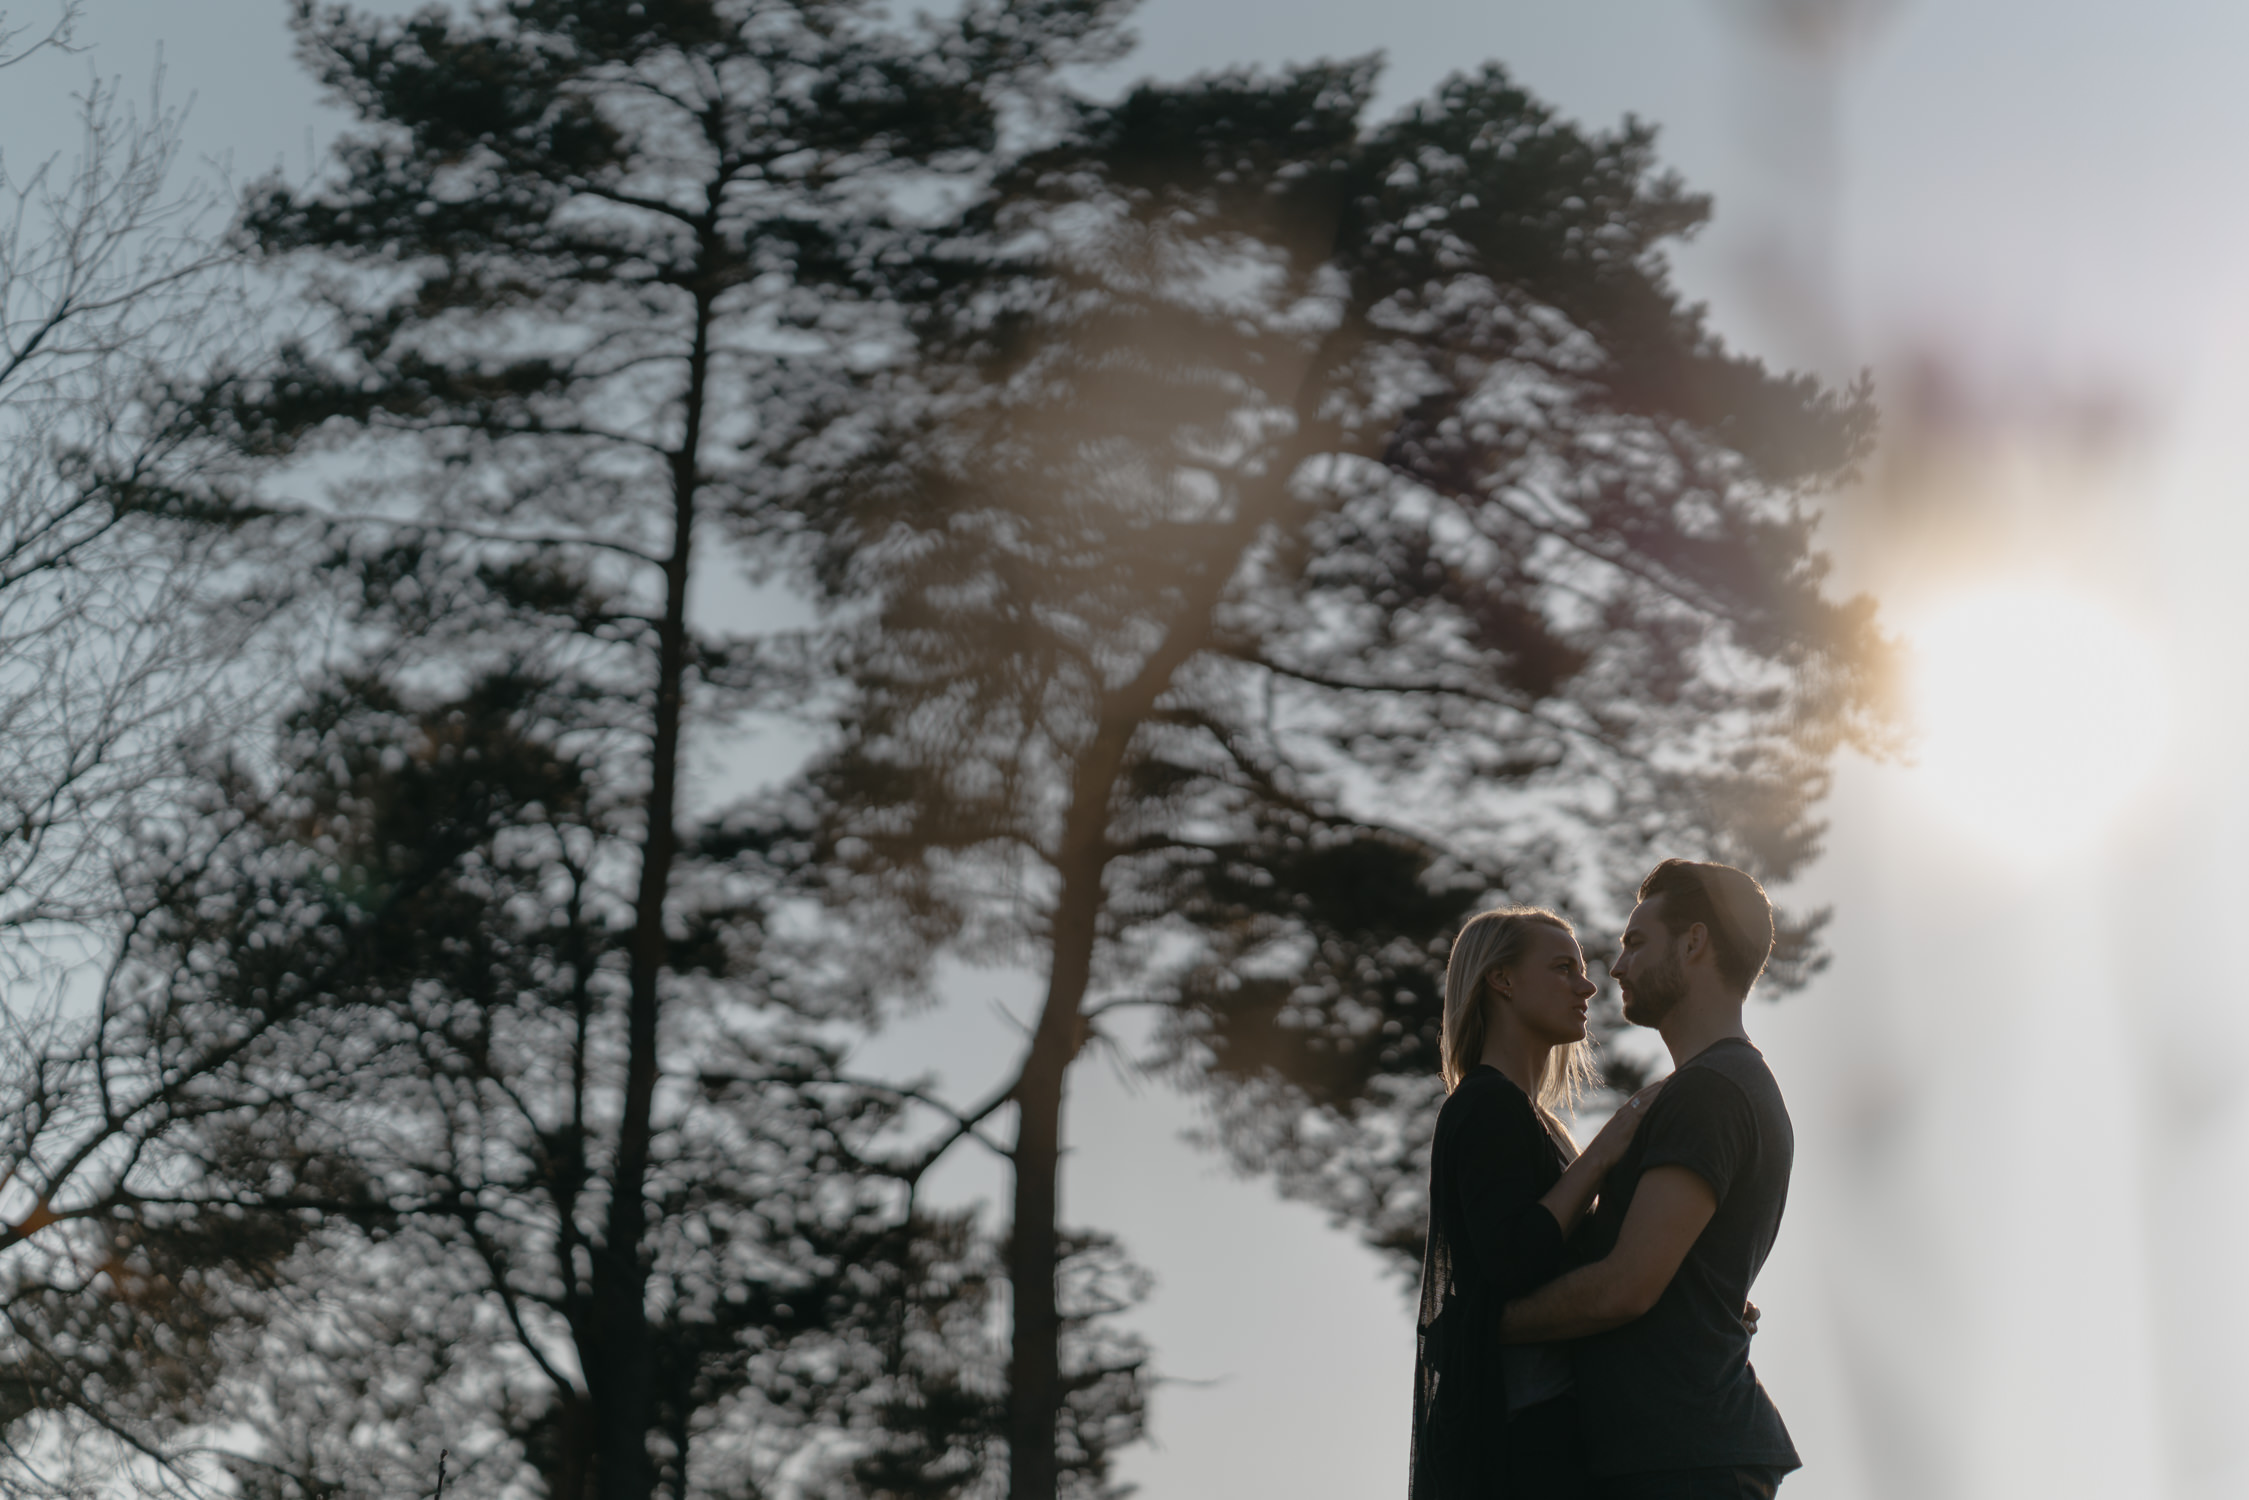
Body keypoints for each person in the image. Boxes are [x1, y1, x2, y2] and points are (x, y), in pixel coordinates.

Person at [1498, 859, 1800, 1500]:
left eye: (1635, 942)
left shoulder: (1710, 1093)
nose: (1614, 967)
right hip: (1674, 1455)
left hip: (1686, 1462)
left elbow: (1627, 1286)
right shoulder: (1709, 1089)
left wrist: (1485, 1326)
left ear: (1694, 943)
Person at [1411, 907, 1663, 1500]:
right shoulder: (1483, 1106)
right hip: (1519, 1447)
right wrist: (1603, 1155)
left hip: (1550, 1432)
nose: (1588, 985)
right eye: (1562, 968)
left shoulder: (1536, 1121)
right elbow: (1512, 1260)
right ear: (1501, 980)